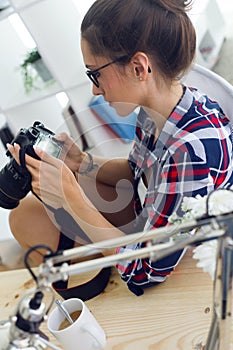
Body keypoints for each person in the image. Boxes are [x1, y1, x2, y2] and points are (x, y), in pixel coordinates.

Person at [7, 0, 233, 296]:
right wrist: (82, 162)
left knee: (36, 222)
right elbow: (135, 169)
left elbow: (143, 274)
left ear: (139, 67)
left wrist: (73, 198)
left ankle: (94, 302)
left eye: (95, 74)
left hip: (177, 264)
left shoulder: (192, 153)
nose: (94, 90)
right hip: (148, 215)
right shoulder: (164, 106)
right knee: (25, 214)